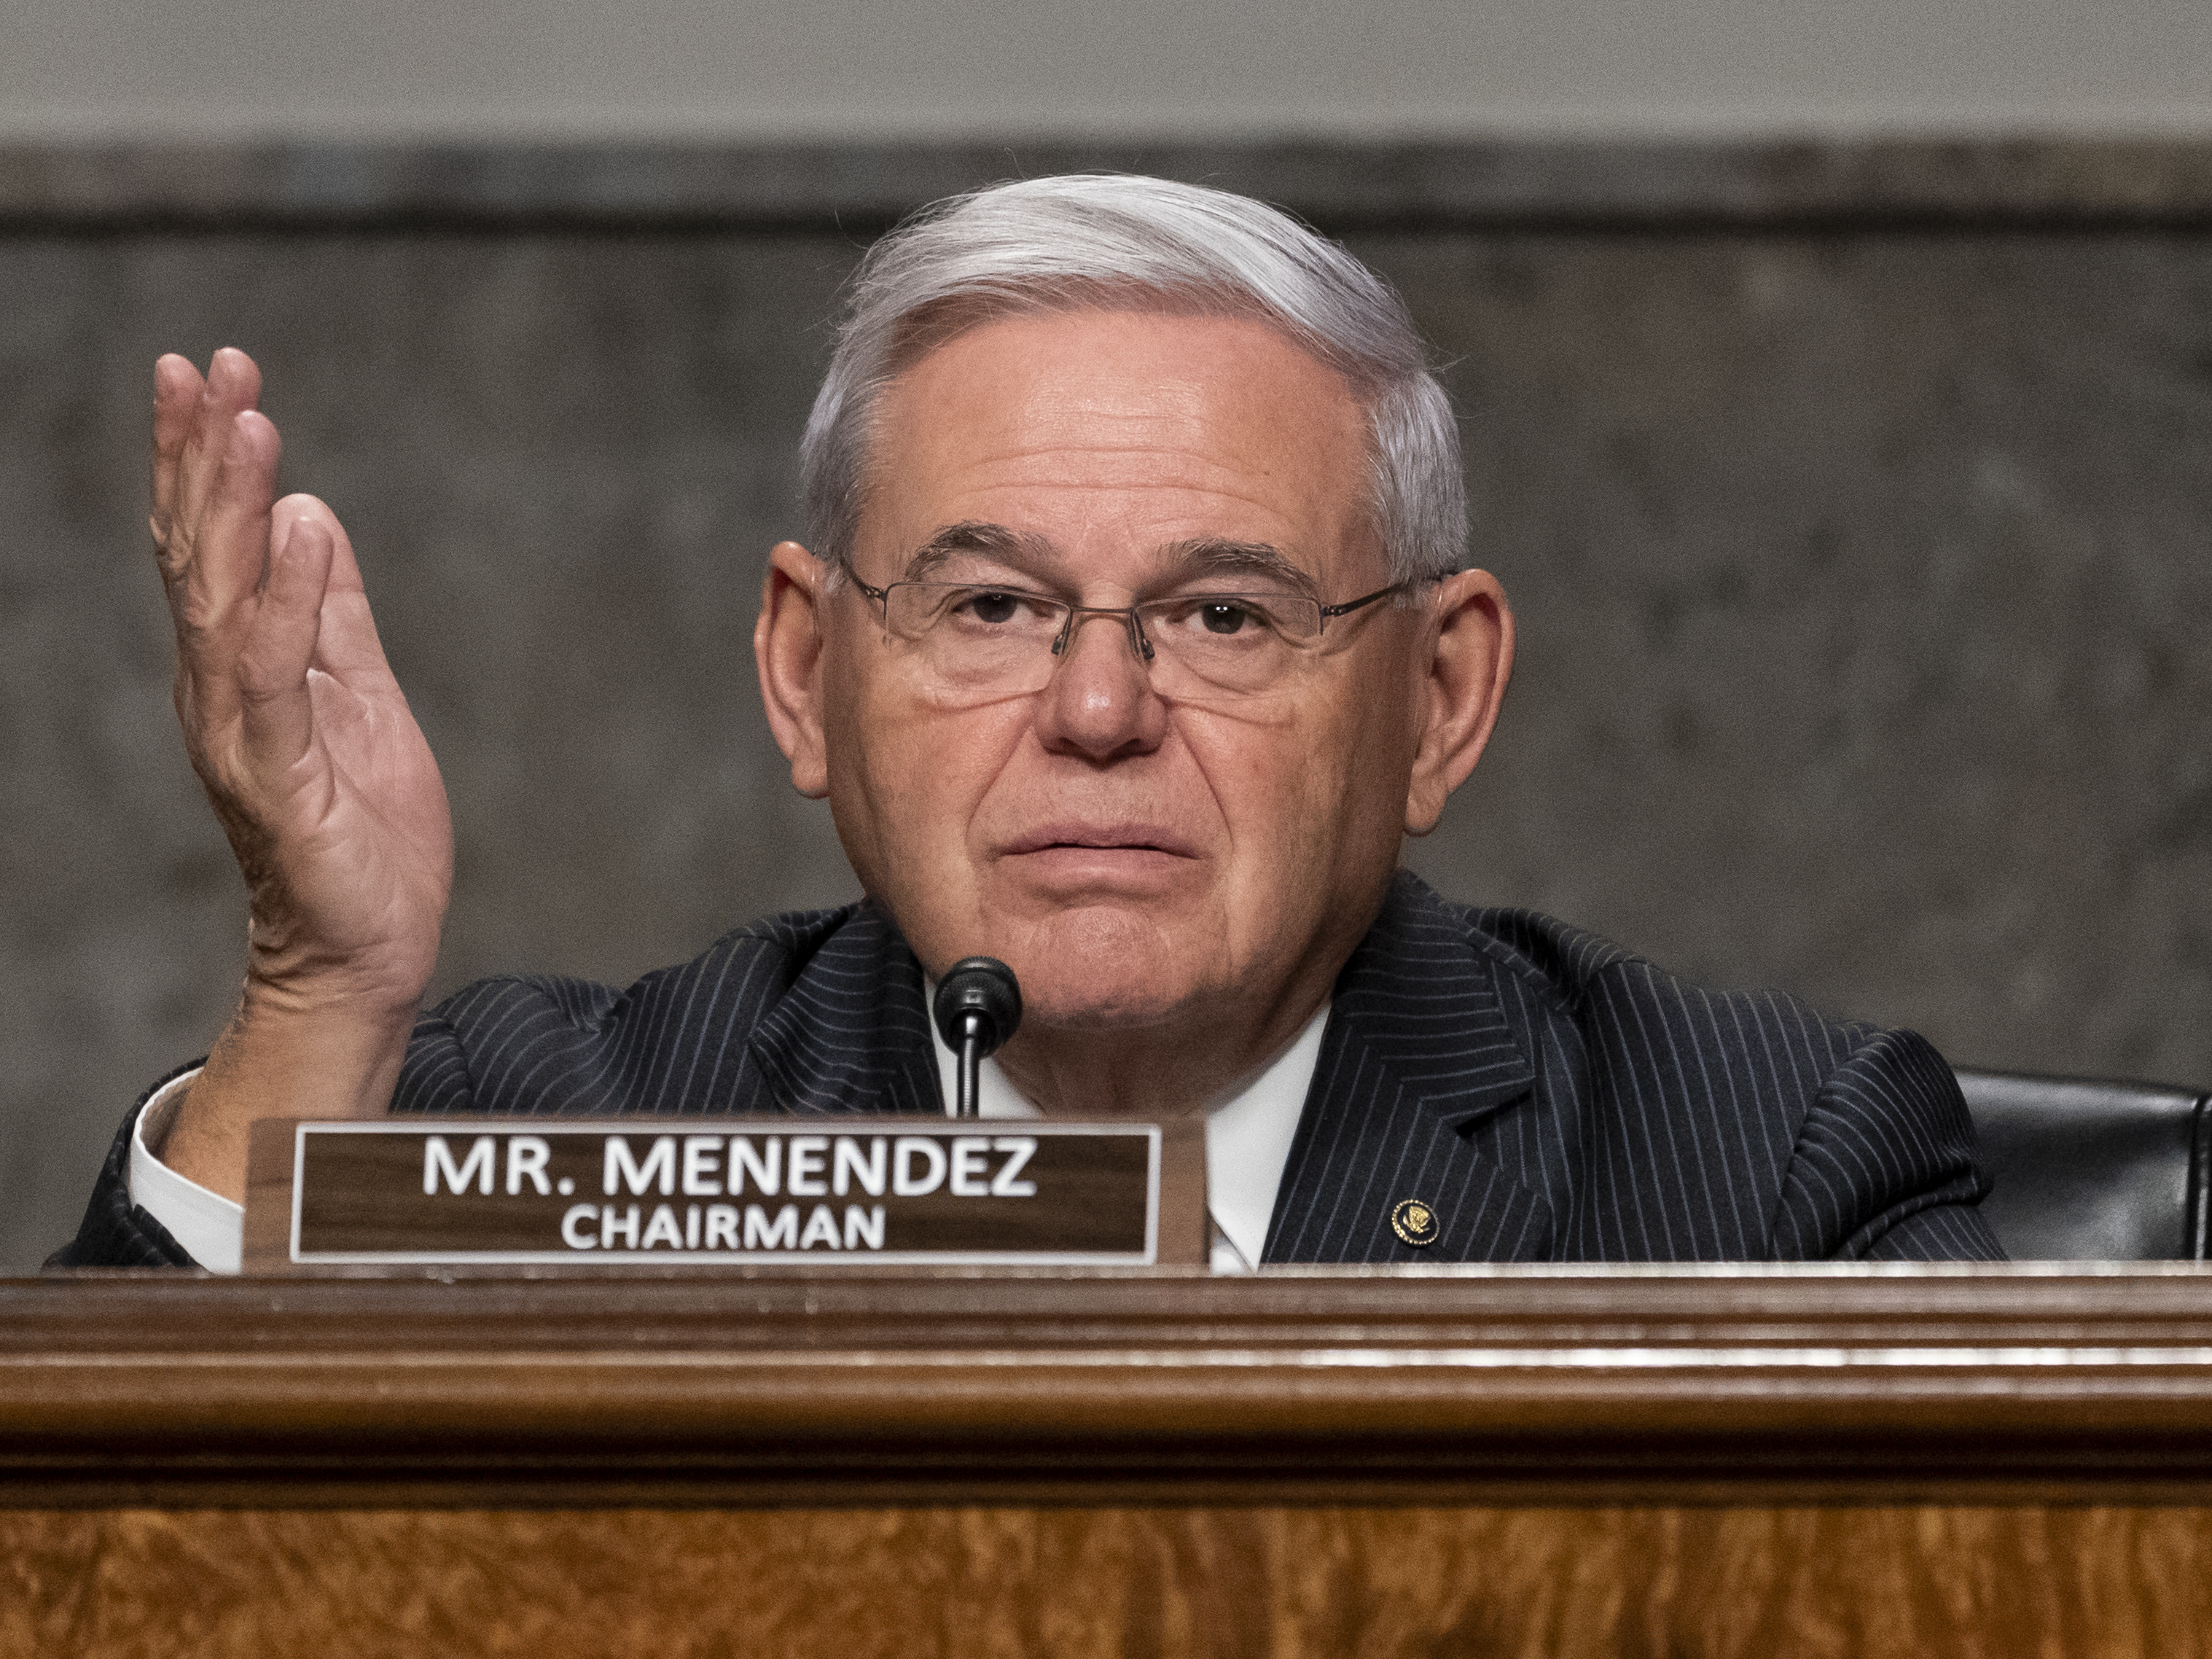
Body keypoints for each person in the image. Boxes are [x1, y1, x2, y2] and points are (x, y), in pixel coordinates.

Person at [55, 174, 2001, 1272]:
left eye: (1223, 614)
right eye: (989, 605)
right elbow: (102, 1583)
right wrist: (319, 992)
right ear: (807, 672)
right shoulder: (532, 1122)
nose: (1093, 709)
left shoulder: (1767, 1177)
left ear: (1440, 693)